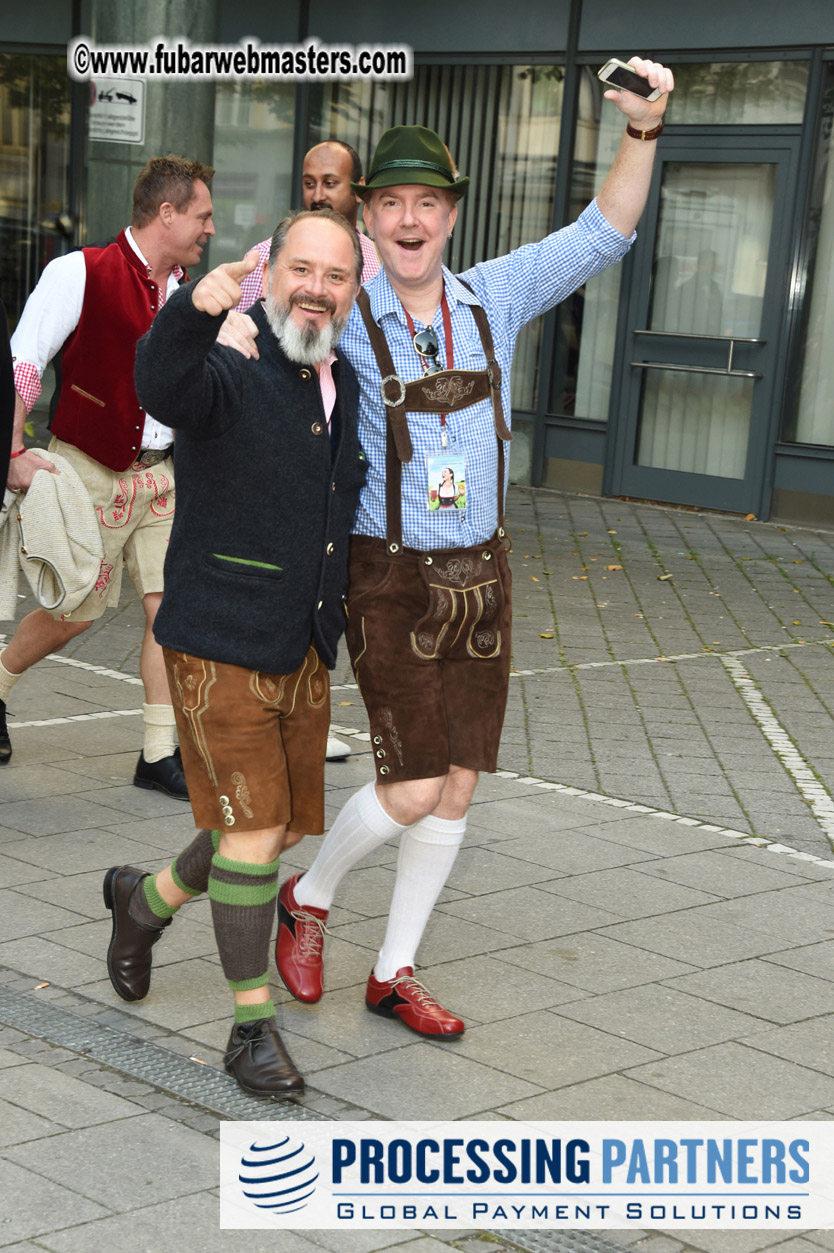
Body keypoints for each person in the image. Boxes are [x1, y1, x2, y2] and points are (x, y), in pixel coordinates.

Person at [230, 58, 674, 1039]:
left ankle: (393, 971)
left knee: (462, 777)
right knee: (415, 781)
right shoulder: (344, 307)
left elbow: (608, 230)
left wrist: (641, 132)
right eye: (391, 201)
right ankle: (309, 895)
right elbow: (262, 339)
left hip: (485, 571)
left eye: (427, 200)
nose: (410, 217)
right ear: (369, 217)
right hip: (386, 577)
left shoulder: (495, 297)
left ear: (450, 214)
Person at [104, 208, 365, 1098]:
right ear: (270, 272)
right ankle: (251, 1029)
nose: (316, 287)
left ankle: (142, 908)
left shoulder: (346, 384)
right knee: (254, 837)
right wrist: (193, 311)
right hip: (217, 639)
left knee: (272, 826)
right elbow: (162, 384)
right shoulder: (230, 357)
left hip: (300, 646)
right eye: (301, 267)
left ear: (353, 292)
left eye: (335, 275)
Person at [0, 155, 216, 794]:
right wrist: (11, 449)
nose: (209, 229)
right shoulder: (80, 271)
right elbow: (24, 359)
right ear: (167, 213)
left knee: (167, 610)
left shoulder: (189, 295)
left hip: (163, 476)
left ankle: (157, 753)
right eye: (201, 216)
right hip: (86, 468)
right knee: (74, 612)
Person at [235, 139, 378, 765]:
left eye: (333, 182)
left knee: (323, 581)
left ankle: (301, 714)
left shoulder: (377, 261)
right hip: (271, 444)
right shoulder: (273, 253)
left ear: (357, 189)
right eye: (310, 181)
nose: (320, 192)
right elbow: (235, 329)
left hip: (345, 451)